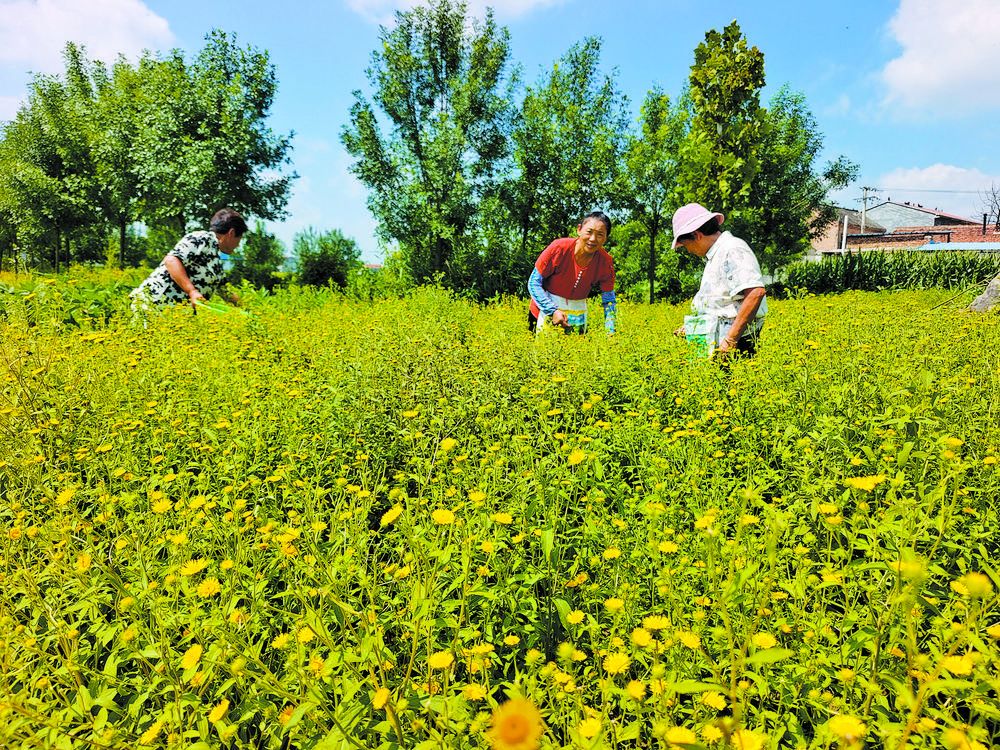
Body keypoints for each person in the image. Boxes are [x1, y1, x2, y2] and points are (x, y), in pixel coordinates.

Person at [672, 203, 767, 360]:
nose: (688, 250)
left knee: (733, 384)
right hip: (721, 340)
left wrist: (730, 341)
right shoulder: (716, 254)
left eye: (686, 245)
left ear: (696, 235)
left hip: (736, 342)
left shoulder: (732, 249)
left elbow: (755, 292)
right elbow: (719, 302)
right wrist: (692, 327)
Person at [130, 208, 248, 311]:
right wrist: (192, 291)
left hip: (173, 314)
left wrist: (252, 309)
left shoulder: (215, 259)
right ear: (231, 233)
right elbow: (171, 260)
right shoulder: (202, 238)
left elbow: (225, 292)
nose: (238, 244)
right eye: (240, 238)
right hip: (153, 304)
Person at [527, 211, 617, 335]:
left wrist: (610, 333)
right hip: (543, 313)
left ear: (606, 237)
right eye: (589, 232)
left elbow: (609, 301)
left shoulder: (605, 262)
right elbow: (534, 283)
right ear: (579, 229)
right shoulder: (558, 248)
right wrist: (552, 311)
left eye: (600, 234)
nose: (593, 239)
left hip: (578, 316)